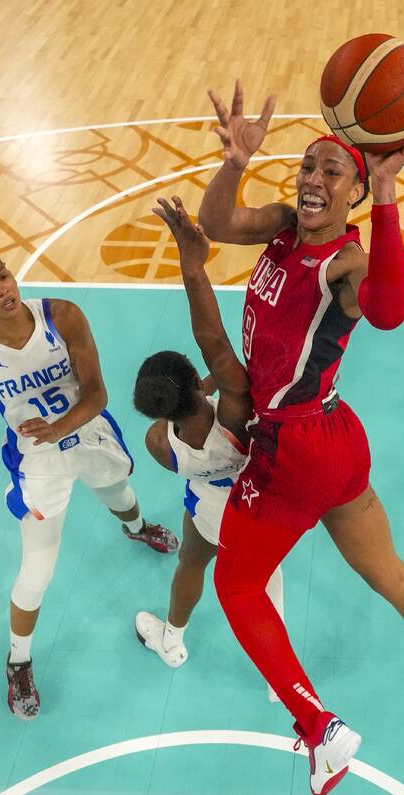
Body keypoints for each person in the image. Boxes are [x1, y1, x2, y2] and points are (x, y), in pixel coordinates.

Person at [188, 82, 404, 795]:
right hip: (334, 436)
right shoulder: (283, 227)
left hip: (294, 449)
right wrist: (235, 162)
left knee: (236, 585)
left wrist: (388, 193)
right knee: (383, 567)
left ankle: (320, 730)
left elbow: (388, 313)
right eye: (307, 165)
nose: (314, 178)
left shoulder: (346, 264)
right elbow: (215, 222)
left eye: (333, 171)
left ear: (354, 193)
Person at [0, 248, 178, 720]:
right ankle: (18, 662)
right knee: (37, 570)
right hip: (36, 459)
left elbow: (97, 393)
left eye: (2, 275)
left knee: (120, 496)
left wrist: (60, 427)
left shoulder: (61, 316)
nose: (2, 288)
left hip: (88, 430)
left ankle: (137, 528)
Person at [128, 215, 282, 697]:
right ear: (198, 382)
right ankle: (278, 680)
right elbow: (216, 346)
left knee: (192, 565)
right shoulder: (234, 410)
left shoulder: (158, 443)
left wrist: (197, 389)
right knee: (266, 587)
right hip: (259, 503)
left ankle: (171, 640)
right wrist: (193, 268)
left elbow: (180, 410)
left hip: (209, 509)